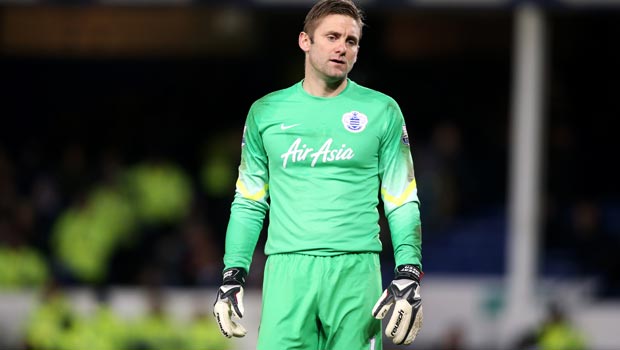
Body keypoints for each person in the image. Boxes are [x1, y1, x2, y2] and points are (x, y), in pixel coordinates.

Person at [212, 0, 423, 349]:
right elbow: (249, 201)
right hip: (286, 273)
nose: (342, 47)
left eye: (352, 41)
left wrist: (409, 272)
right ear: (305, 41)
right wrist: (233, 275)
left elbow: (401, 199)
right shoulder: (266, 113)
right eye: (332, 36)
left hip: (356, 273)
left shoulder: (382, 111)